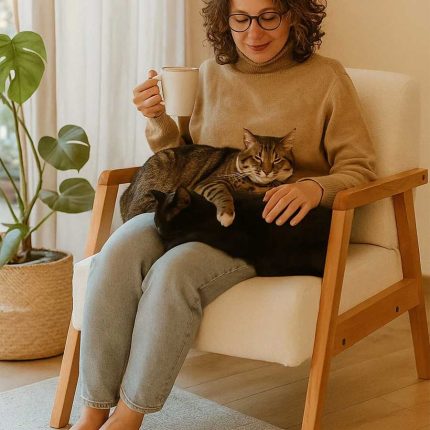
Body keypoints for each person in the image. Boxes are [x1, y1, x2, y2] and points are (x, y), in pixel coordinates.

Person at [71, 0, 376, 428]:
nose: (254, 32)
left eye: (269, 16)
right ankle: (92, 411)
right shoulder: (210, 73)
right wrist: (158, 119)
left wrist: (313, 187)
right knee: (117, 251)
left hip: (263, 227)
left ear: (293, 15)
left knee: (174, 271)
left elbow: (360, 168)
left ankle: (128, 417)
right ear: (225, 20)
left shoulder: (327, 78)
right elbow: (186, 156)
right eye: (241, 18)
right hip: (194, 209)